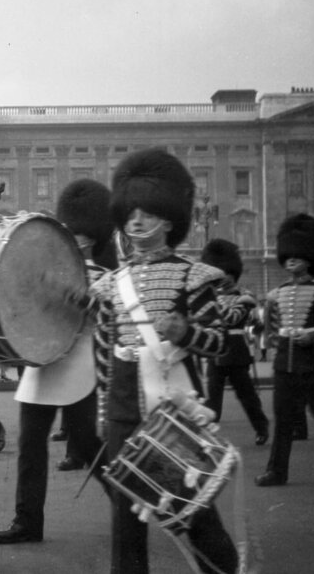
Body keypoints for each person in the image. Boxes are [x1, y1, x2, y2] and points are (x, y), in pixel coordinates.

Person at [87, 148, 238, 574]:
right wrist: (103, 411)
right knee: (125, 512)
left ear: (169, 221)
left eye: (147, 212)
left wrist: (185, 333)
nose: (135, 221)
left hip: (172, 404)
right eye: (130, 212)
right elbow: (103, 349)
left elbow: (220, 343)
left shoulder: (194, 276)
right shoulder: (111, 285)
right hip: (121, 404)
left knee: (189, 503)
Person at [0, 179, 113, 546]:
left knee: (89, 445)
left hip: (79, 366)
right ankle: (28, 521)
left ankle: (128, 504)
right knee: (30, 445)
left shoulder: (104, 277)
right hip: (41, 361)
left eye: (75, 234)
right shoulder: (45, 266)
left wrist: (81, 297)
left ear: (89, 238)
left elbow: (109, 315)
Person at [255, 213, 314, 487]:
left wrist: (312, 334)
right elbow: (270, 329)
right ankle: (277, 471)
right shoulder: (277, 294)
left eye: (298, 254)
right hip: (285, 366)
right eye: (288, 255)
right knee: (282, 422)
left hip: (313, 364)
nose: (291, 259)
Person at [200, 239, 269, 446]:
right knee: (212, 400)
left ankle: (261, 427)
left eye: (228, 275)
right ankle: (208, 438)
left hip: (237, 352)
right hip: (215, 353)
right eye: (221, 275)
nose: (225, 280)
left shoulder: (244, 297)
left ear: (234, 274)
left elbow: (238, 320)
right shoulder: (211, 298)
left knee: (247, 396)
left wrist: (255, 323)